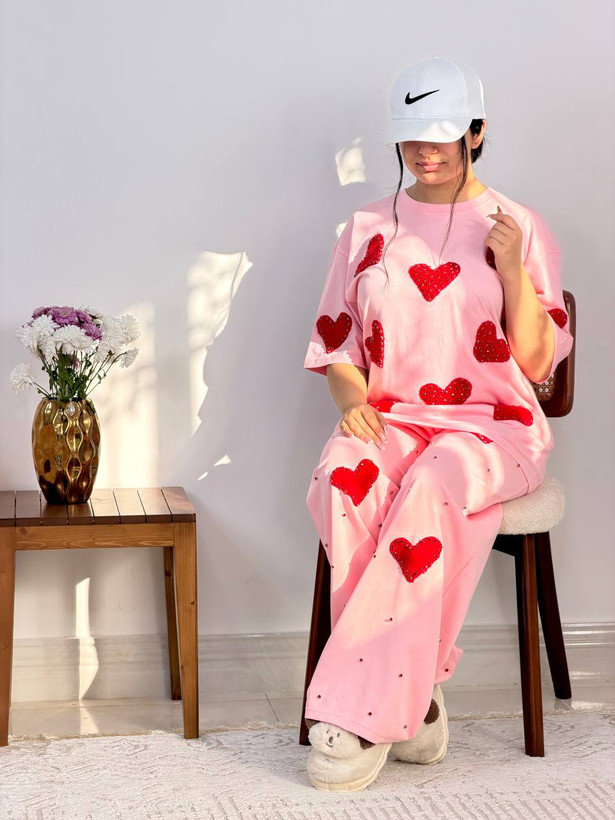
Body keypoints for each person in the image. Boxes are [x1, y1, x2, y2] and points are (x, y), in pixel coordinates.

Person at [301, 56, 574, 792]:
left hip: (494, 428)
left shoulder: (518, 225)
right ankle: (412, 700)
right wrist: (350, 402)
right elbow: (339, 347)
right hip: (394, 417)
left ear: (476, 133)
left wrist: (511, 270)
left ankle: (359, 716)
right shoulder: (366, 226)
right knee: (342, 477)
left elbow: (536, 361)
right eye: (412, 136)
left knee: (433, 482)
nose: (425, 151)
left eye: (443, 135)